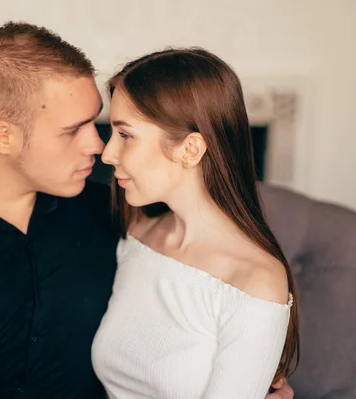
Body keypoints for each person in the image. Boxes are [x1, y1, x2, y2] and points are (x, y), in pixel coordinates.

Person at [0, 21, 295, 399]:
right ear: (4, 136)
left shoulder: (113, 214)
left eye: (102, 126)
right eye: (73, 130)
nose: (99, 147)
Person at [91, 48, 299, 398]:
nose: (107, 154)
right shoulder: (136, 236)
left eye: (125, 135)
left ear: (190, 150)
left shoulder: (254, 283)